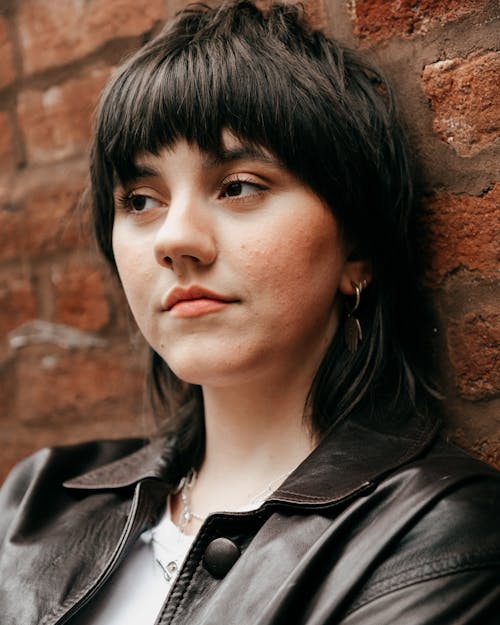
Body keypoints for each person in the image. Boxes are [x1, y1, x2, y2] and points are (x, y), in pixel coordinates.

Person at [0, 2, 498, 624]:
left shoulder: (431, 535)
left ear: (358, 249)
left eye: (238, 186)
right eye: (141, 199)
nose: (173, 239)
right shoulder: (34, 502)